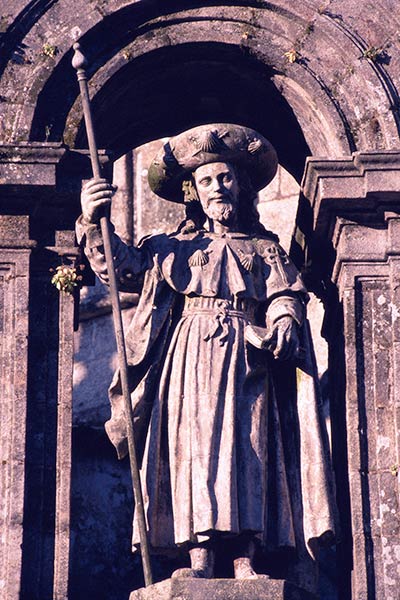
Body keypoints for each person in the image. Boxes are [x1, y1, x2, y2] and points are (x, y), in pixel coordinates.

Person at [76, 124, 335, 586]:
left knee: (250, 449)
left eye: (227, 178)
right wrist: (95, 220)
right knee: (194, 452)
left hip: (248, 361)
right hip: (188, 360)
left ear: (244, 186)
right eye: (207, 180)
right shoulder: (172, 248)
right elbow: (120, 270)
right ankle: (199, 553)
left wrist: (283, 320)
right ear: (194, 192)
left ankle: (245, 555)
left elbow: (286, 295)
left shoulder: (265, 250)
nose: (218, 187)